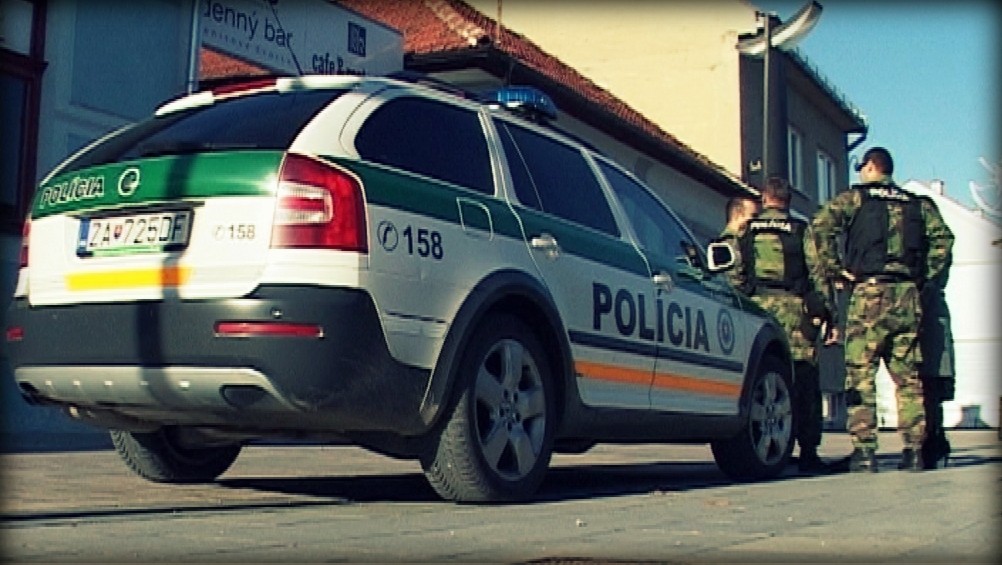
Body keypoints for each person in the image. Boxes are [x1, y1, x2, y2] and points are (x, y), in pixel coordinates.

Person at [812, 147, 954, 473]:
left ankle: (865, 452)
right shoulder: (917, 204)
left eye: (861, 166)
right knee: (908, 378)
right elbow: (944, 241)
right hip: (907, 295)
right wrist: (925, 279)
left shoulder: (855, 199)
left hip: (869, 292)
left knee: (861, 374)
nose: (860, 172)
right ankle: (914, 451)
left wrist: (835, 269)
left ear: (871, 167)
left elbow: (820, 227)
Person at [735, 177, 834, 474]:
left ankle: (766, 444)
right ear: (788, 201)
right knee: (804, 379)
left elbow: (736, 274)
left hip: (757, 310)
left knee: (762, 374)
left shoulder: (747, 230)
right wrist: (827, 315)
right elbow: (819, 275)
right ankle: (808, 452)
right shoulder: (801, 230)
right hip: (795, 309)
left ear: (765, 199)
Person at [919, 246, 955, 469]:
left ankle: (934, 438)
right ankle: (928, 439)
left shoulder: (935, 237)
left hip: (927, 303)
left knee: (932, 377)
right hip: (908, 302)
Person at [717, 196, 759, 290]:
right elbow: (735, 282)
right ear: (737, 214)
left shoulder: (741, 242)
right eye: (753, 216)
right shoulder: (728, 244)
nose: (756, 222)